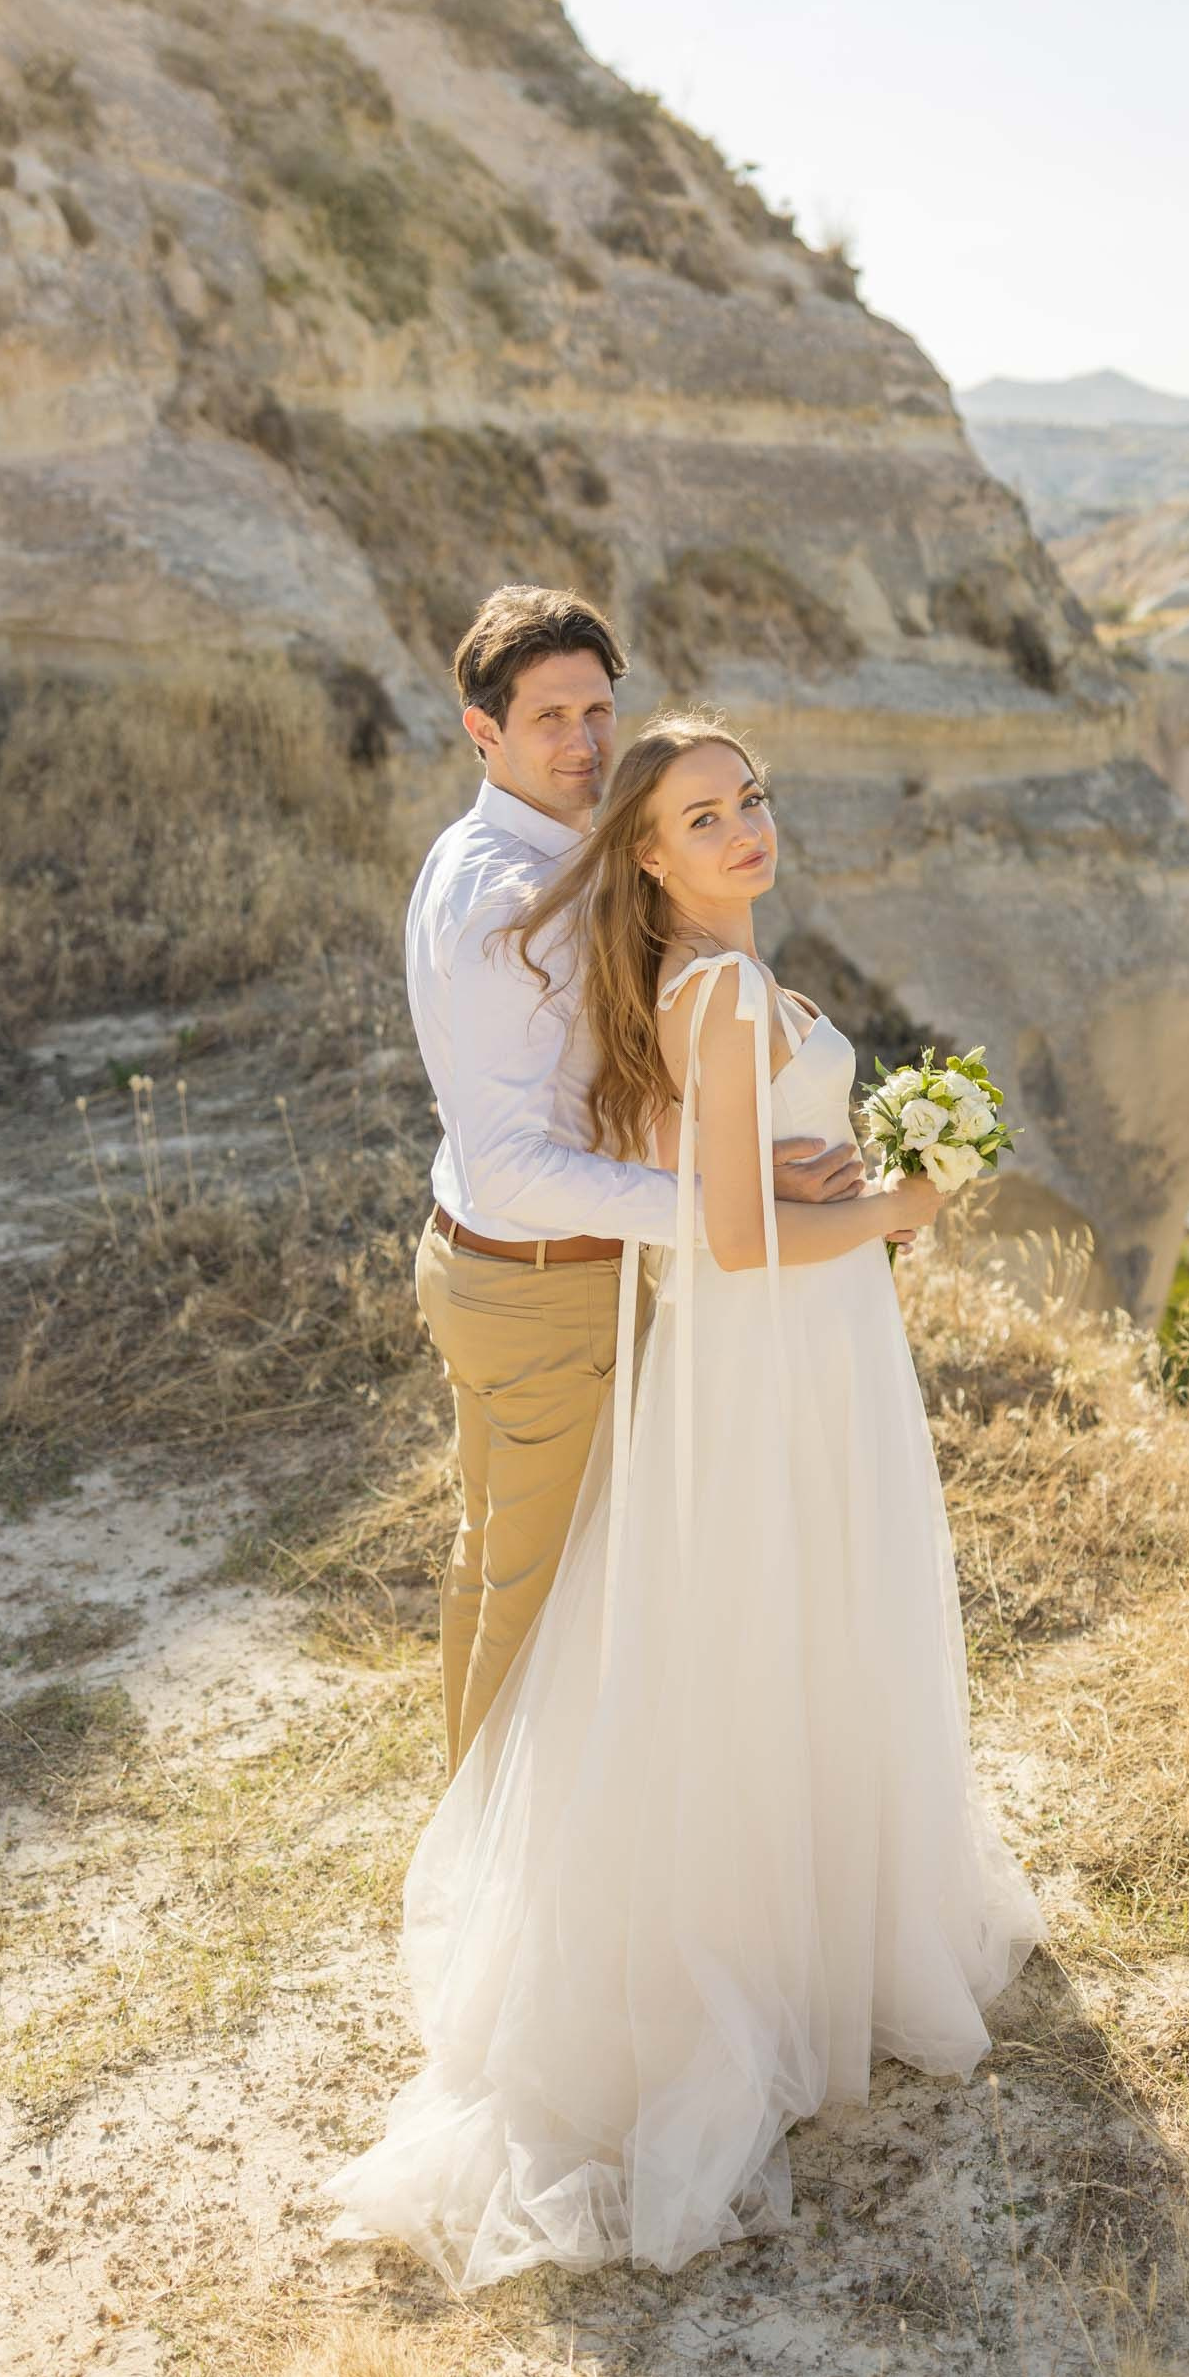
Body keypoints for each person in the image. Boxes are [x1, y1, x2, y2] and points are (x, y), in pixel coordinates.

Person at [328, 713, 1042, 2280]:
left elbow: (748, 1192)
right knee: (773, 1619)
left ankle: (810, 1926)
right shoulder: (714, 991)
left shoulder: (715, 978)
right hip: (773, 1344)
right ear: (645, 855)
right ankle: (748, 1964)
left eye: (752, 800)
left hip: (805, 1340)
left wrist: (862, 1191)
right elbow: (725, 1236)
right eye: (703, 817)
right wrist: (910, 1201)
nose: (743, 830)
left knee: (786, 1621)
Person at [405, 588, 864, 1776]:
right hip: (545, 1288)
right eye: (550, 716)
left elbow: (577, 1095)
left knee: (497, 1562)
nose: (585, 742)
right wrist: (728, 1207)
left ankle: (478, 1833)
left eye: (598, 709)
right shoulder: (515, 900)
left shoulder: (487, 856)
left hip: (484, 1261)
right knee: (542, 1599)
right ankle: (494, 1878)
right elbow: (521, 1156)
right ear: (482, 732)